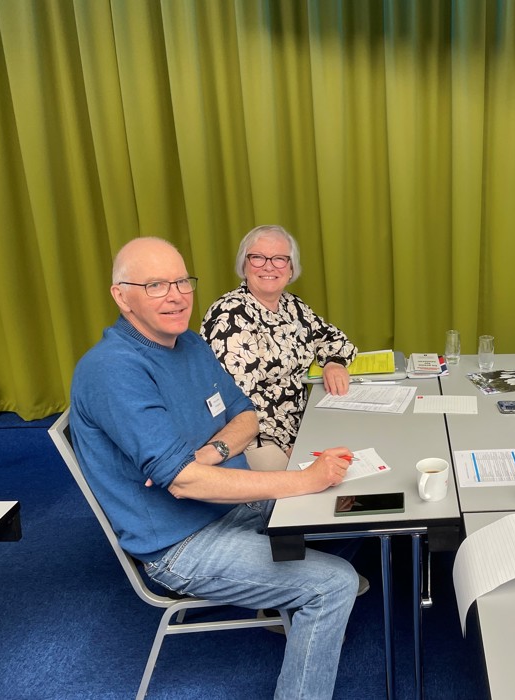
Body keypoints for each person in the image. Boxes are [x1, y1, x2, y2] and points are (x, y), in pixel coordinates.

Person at [70, 237, 359, 700]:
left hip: (225, 505)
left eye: (182, 282)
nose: (176, 296)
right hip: (180, 543)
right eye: (156, 285)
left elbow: (246, 416)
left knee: (345, 503)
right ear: (122, 297)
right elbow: (184, 484)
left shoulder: (188, 343)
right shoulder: (112, 369)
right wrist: (302, 479)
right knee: (334, 584)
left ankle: (299, 597)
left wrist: (209, 453)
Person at [201, 225, 357, 470]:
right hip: (257, 440)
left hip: (304, 424)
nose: (269, 266)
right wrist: (289, 447)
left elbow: (333, 338)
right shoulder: (230, 315)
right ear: (244, 265)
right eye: (258, 257)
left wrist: (333, 363)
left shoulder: (292, 306)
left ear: (291, 268)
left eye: (279, 259)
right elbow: (239, 402)